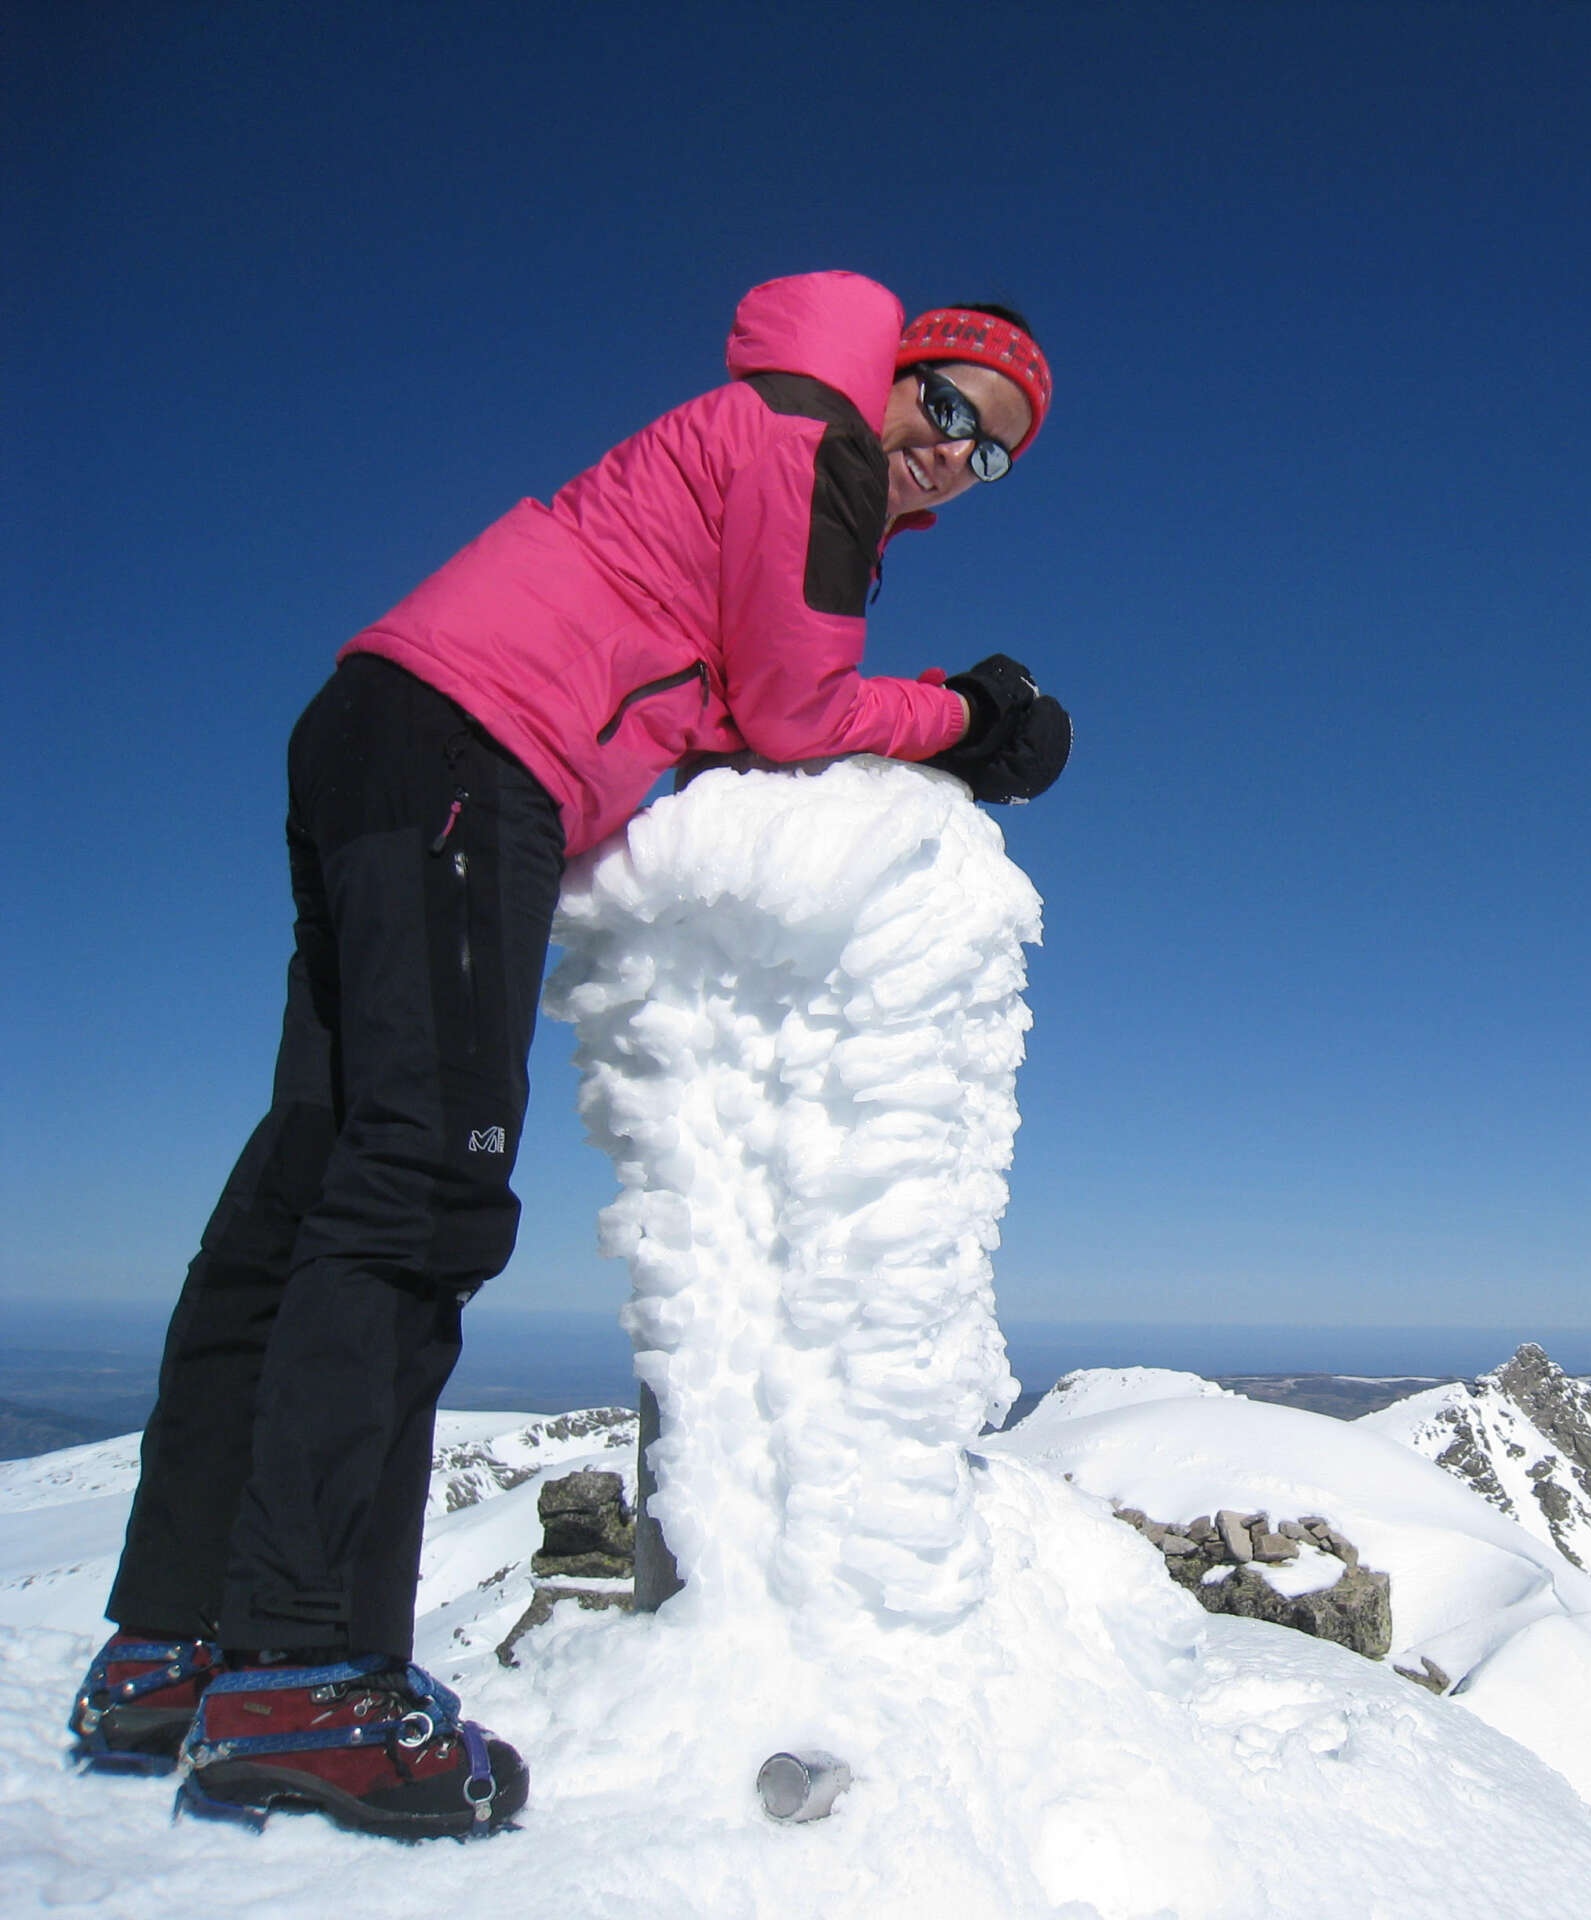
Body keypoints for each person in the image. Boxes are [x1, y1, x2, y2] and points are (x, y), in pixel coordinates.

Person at [66, 272, 1069, 1840]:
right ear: (896, 372)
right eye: (950, 406)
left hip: (380, 721)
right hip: (485, 749)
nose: (958, 454)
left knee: (305, 1186)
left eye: (995, 453)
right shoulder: (816, 445)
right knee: (420, 1192)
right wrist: (969, 717)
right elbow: (796, 712)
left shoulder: (785, 440)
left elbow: (739, 696)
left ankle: (171, 1646)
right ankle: (307, 1673)